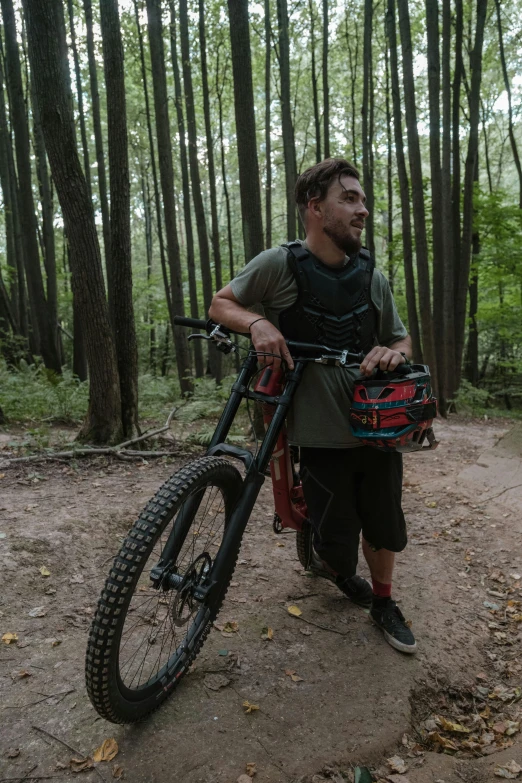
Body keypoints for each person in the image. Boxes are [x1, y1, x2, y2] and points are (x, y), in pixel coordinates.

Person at [208, 158, 416, 654]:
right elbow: (221, 303)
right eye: (349, 199)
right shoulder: (278, 263)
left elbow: (403, 340)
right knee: (336, 546)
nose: (362, 209)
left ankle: (385, 601)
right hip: (317, 433)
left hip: (377, 424)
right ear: (315, 208)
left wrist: (394, 352)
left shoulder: (372, 277)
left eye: (363, 200)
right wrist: (257, 323)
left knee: (384, 523)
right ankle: (339, 569)